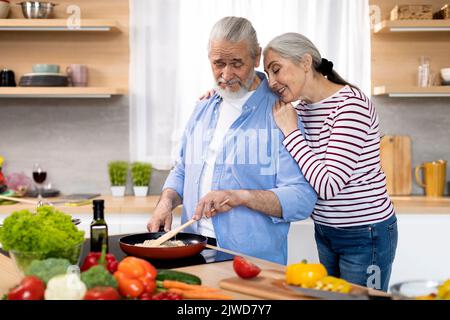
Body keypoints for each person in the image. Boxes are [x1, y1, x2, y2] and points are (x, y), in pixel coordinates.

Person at [147, 17, 317, 265]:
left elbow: (301, 198)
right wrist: (166, 203)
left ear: (256, 57)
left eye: (237, 63)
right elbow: (183, 170)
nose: (226, 75)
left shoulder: (281, 113)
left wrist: (240, 196)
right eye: (218, 64)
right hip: (192, 252)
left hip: (252, 263)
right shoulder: (203, 108)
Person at [263, 32, 398, 291]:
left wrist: (291, 132)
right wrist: (219, 91)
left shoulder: (351, 106)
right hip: (326, 231)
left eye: (276, 70)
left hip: (366, 233)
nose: (271, 82)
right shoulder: (299, 110)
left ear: (305, 62)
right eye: (268, 74)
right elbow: (254, 94)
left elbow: (328, 184)